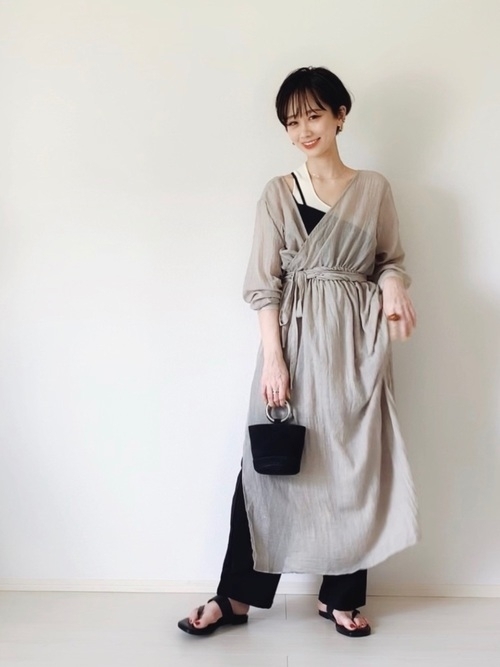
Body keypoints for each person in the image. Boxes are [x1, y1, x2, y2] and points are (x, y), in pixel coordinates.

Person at [178, 66, 419, 638]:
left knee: (355, 466)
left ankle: (340, 597)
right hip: (293, 340)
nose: (304, 130)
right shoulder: (278, 193)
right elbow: (264, 284)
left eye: (314, 115)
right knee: (265, 466)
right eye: (292, 121)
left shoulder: (374, 189)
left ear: (340, 116)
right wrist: (274, 358)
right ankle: (235, 597)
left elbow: (389, 260)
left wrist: (391, 285)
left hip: (357, 346)